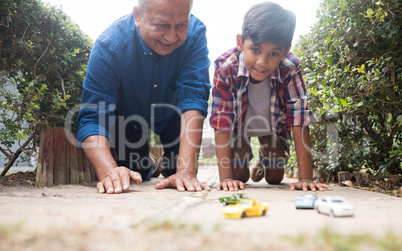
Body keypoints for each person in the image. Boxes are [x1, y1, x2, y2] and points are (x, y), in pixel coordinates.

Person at [77, 0, 211, 194]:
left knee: (179, 172)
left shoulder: (195, 34)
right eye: (161, 25)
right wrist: (108, 171)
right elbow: (92, 117)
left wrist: (186, 171)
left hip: (173, 114)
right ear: (137, 16)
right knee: (136, 172)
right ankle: (151, 165)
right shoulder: (109, 46)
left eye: (181, 25)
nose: (171, 37)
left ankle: (169, 166)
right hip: (129, 118)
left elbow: (194, 98)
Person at [210, 1, 332, 192]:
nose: (262, 62)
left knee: (275, 178)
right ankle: (244, 162)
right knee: (239, 177)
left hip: (273, 126)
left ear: (285, 52)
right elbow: (221, 119)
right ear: (241, 43)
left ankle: (263, 158)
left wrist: (305, 178)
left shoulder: (291, 68)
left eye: (274, 54)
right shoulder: (225, 68)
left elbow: (299, 116)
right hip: (239, 127)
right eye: (256, 50)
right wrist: (225, 178)